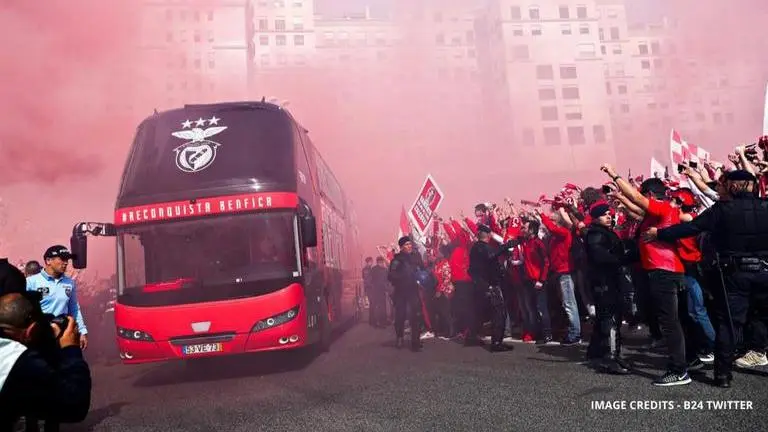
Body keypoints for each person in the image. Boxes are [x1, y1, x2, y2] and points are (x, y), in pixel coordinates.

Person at [645, 170, 768, 388]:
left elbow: (692, 227)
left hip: (734, 274)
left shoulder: (722, 209)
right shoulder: (765, 206)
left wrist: (660, 234)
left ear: (734, 186)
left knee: (728, 324)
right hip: (764, 272)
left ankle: (723, 375)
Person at [601, 164, 692, 386]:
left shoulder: (661, 207)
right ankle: (681, 364)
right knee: (671, 321)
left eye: (644, 195)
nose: (642, 198)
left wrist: (614, 174)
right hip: (664, 271)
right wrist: (621, 198)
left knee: (670, 322)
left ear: (650, 195)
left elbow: (638, 201)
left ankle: (679, 370)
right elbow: (637, 210)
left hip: (664, 271)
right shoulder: (659, 212)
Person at [0, 290, 91, 429]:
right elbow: (75, 404)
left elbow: (74, 307)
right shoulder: (14, 359)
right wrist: (70, 349)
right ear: (31, 331)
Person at [584, 203, 631, 374]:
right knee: (610, 319)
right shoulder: (595, 233)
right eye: (604, 215)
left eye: (609, 214)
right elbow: (599, 255)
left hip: (610, 279)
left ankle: (600, 353)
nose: (609, 216)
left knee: (609, 318)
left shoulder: (605, 232)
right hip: (604, 281)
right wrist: (621, 259)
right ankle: (610, 357)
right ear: (596, 217)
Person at [26, 246, 88, 350]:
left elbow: (74, 308)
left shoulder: (70, 283)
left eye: (67, 259)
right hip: (40, 337)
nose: (66, 263)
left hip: (64, 335)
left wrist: (82, 331)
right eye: (62, 259)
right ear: (48, 260)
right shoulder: (31, 282)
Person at [468, 225, 515, 352]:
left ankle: (471, 337)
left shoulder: (474, 248)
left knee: (478, 313)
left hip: (479, 285)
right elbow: (491, 255)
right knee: (499, 312)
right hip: (489, 285)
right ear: (488, 235)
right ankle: (496, 342)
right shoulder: (483, 248)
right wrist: (506, 245)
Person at [388, 236, 425, 351]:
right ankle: (399, 337)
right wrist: (403, 277)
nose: (409, 246)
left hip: (413, 291)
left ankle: (416, 341)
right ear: (401, 247)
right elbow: (390, 275)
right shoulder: (396, 260)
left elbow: (423, 270)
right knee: (400, 316)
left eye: (410, 244)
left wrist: (423, 278)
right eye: (407, 245)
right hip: (401, 292)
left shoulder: (416, 258)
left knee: (416, 316)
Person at [368, 257, 390, 328]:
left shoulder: (373, 270)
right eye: (382, 262)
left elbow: (370, 280)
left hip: (376, 291)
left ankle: (377, 321)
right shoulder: (384, 270)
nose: (383, 263)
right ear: (379, 262)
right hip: (380, 291)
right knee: (381, 307)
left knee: (377, 307)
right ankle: (381, 322)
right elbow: (386, 281)